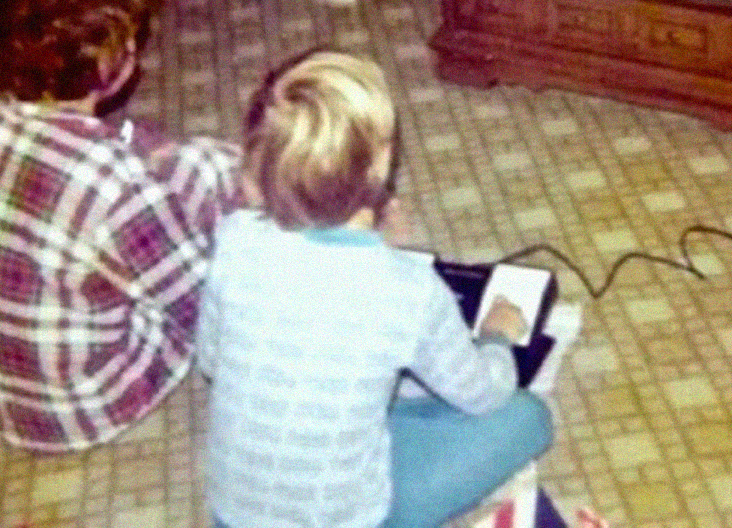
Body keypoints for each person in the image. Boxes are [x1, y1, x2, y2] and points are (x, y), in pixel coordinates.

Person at [196, 48, 553, 528]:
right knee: (527, 415)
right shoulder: (409, 290)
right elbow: (484, 395)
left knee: (382, 398)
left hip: (232, 516)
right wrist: (496, 336)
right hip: (353, 519)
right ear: (381, 166)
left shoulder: (236, 239)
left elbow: (212, 363)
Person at [0, 0, 242, 451]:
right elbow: (205, 314)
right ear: (106, 67)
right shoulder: (118, 190)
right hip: (86, 407)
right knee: (203, 164)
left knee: (134, 187)